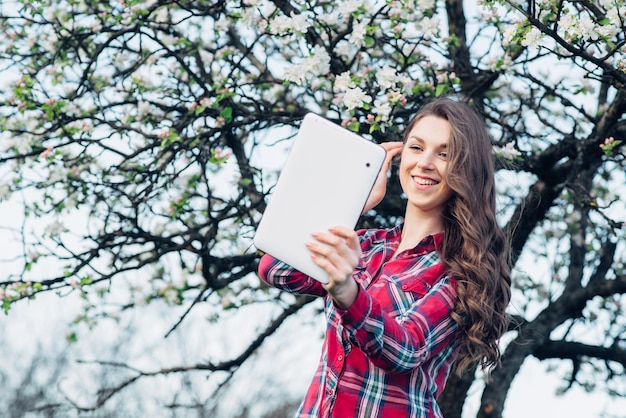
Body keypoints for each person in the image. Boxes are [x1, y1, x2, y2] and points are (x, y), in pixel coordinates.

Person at [258, 96, 511, 418]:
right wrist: (353, 202)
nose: (425, 163)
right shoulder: (366, 245)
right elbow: (276, 267)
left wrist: (347, 291)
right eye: (416, 147)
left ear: (466, 170)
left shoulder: (460, 271)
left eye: (444, 154)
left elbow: (403, 350)